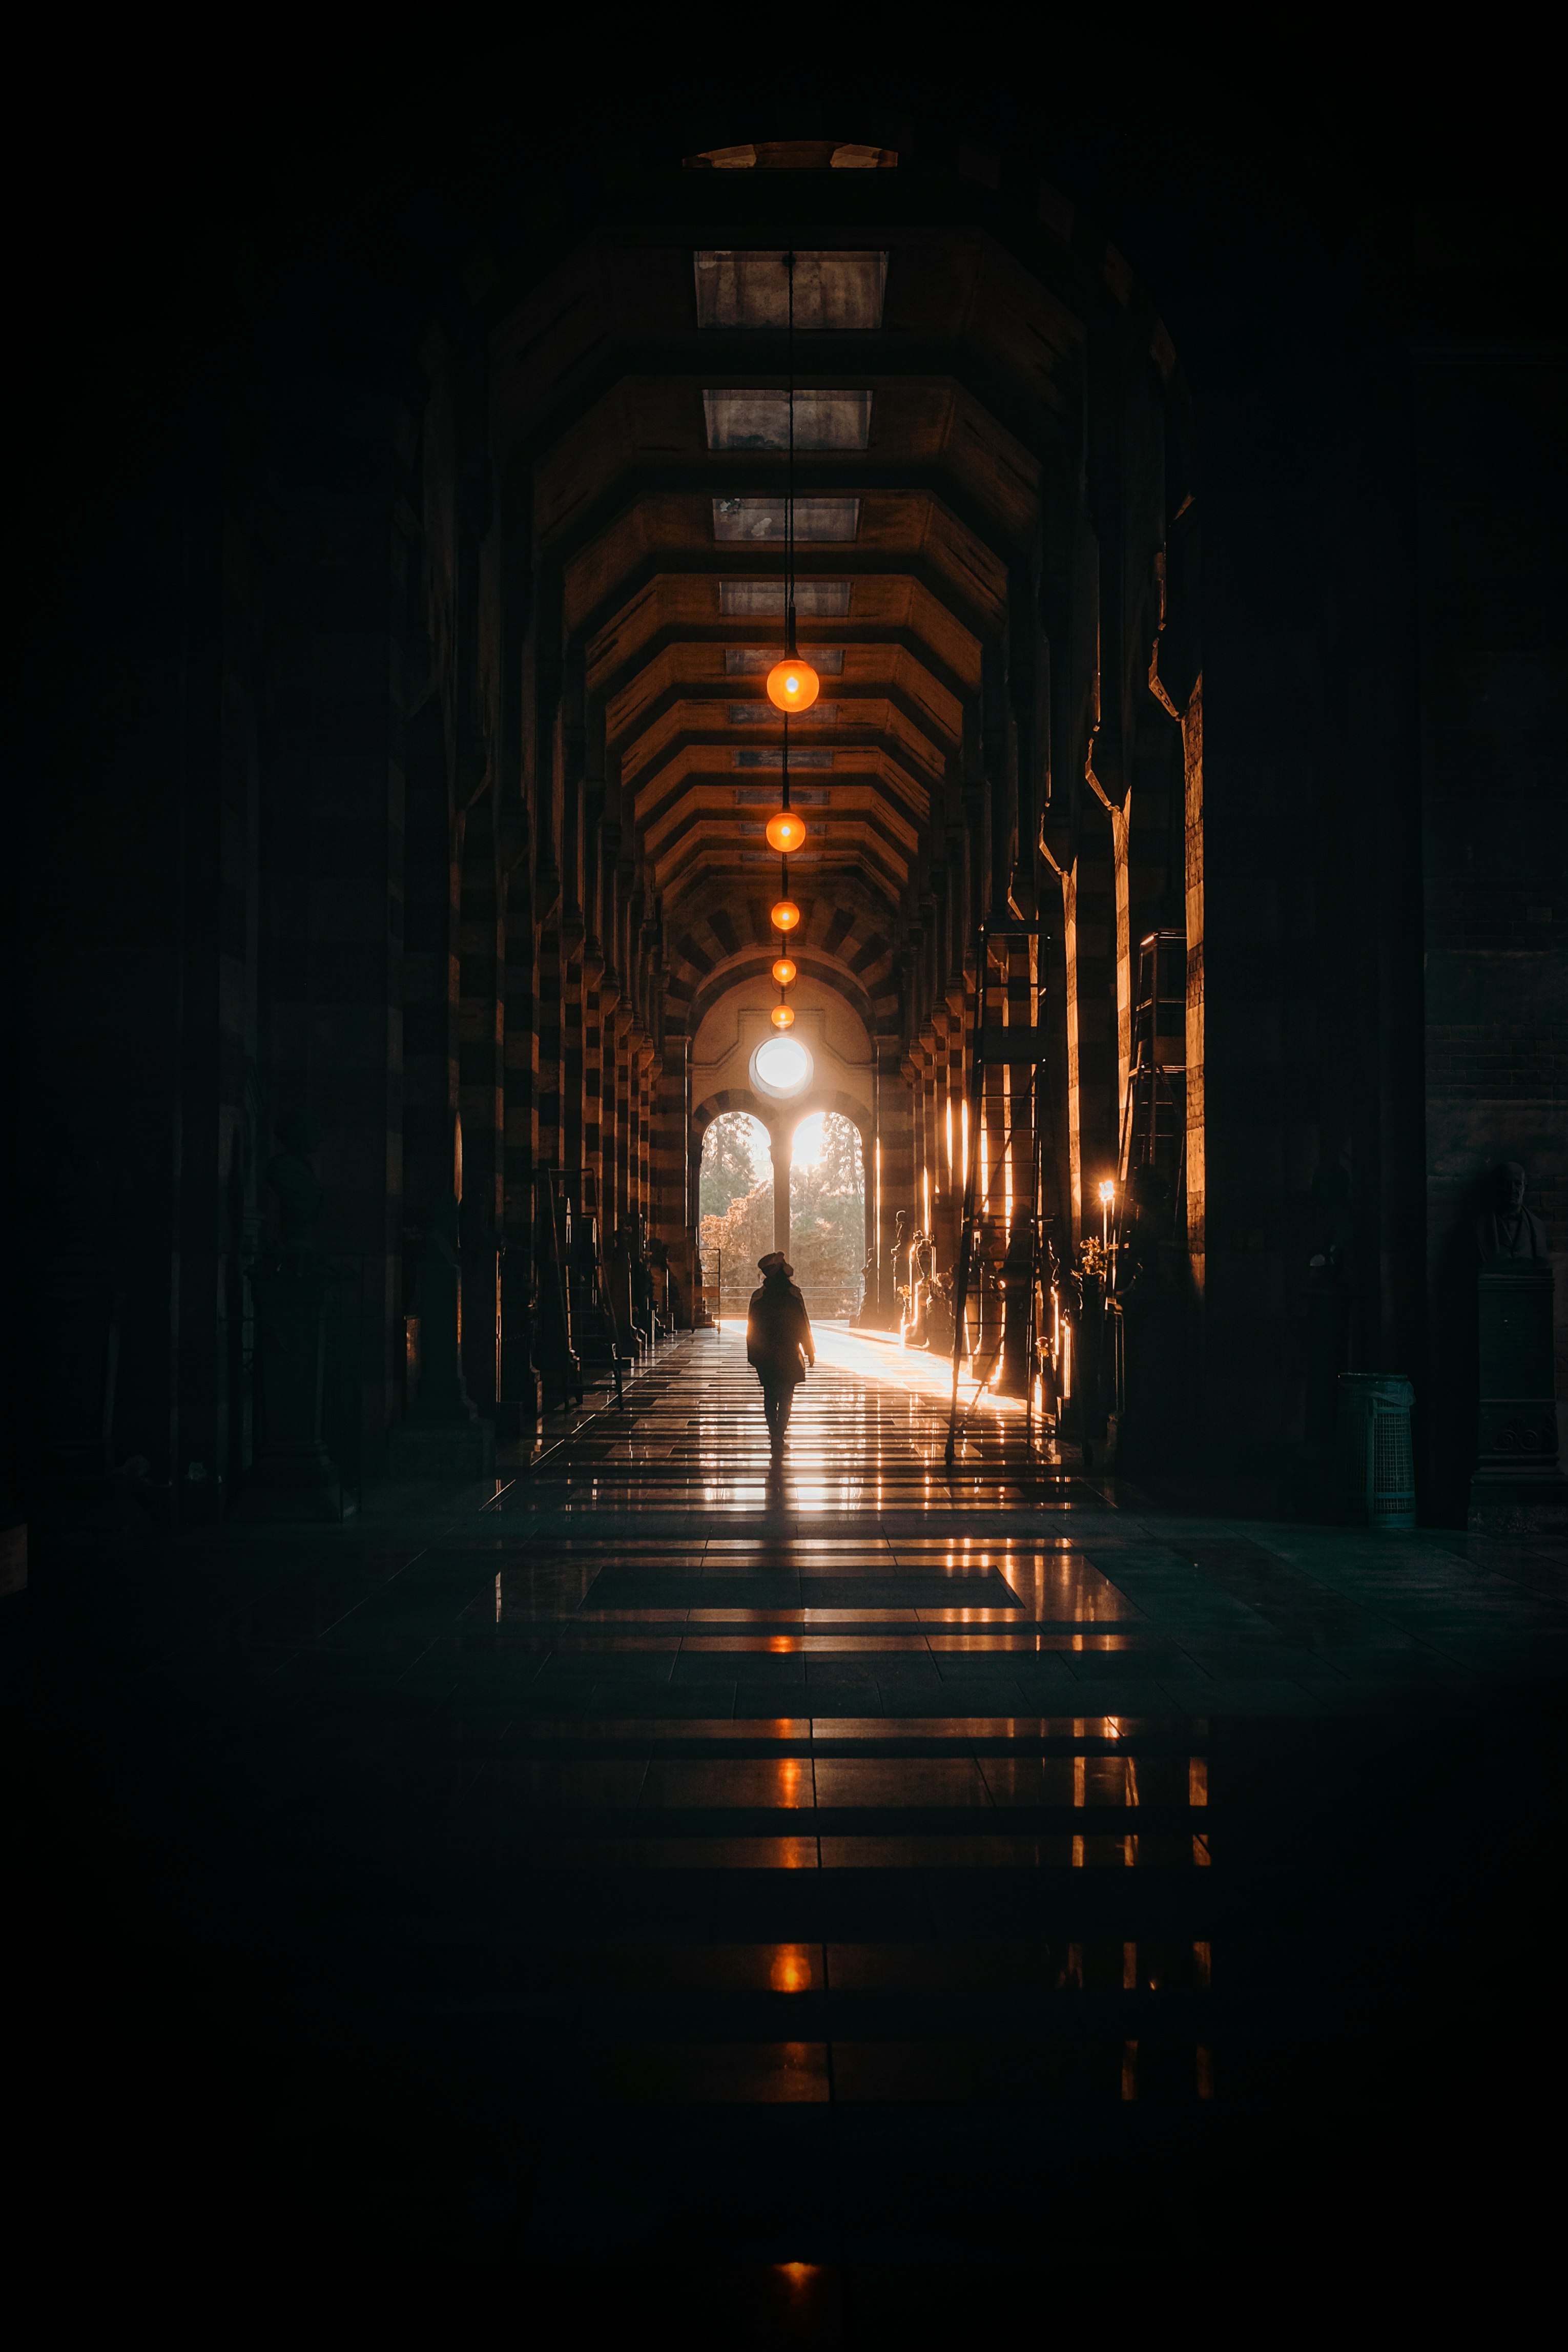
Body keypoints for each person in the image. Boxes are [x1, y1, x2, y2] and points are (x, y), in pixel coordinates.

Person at [746, 1251, 815, 1453]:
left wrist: (753, 1356)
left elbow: (751, 1329)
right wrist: (809, 1350)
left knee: (770, 1394)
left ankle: (774, 1430)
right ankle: (780, 1432)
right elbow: (803, 1325)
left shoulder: (758, 1297)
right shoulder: (793, 1294)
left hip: (766, 1355)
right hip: (789, 1353)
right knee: (786, 1396)